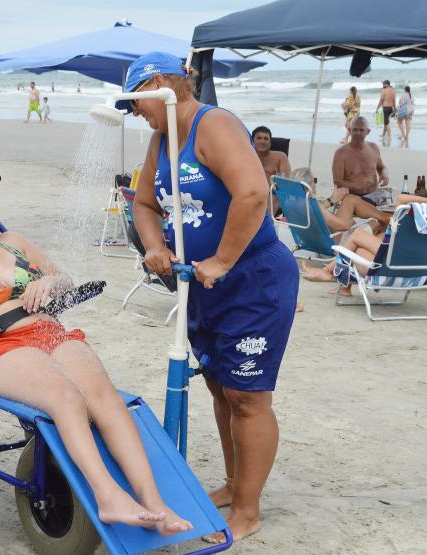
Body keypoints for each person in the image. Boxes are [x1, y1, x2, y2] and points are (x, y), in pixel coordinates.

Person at [0, 165, 194, 536]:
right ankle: (108, 497)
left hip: (51, 332)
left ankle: (155, 503)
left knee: (106, 400)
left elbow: (64, 278)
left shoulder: (15, 242)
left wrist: (47, 282)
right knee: (67, 399)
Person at [125, 51, 299, 542]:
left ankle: (247, 510)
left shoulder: (213, 123)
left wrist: (221, 261)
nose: (135, 111)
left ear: (158, 84)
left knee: (247, 394)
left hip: (253, 277)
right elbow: (141, 203)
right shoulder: (162, 138)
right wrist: (155, 246)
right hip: (200, 283)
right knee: (220, 388)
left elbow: (252, 193)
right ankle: (232, 484)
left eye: (137, 100)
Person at [302, 194, 427, 292]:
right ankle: (343, 287)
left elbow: (402, 198)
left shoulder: (411, 223)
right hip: (417, 274)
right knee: (358, 251)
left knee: (358, 236)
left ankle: (329, 272)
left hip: (393, 267)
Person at [332, 116, 389, 201]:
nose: (358, 133)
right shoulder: (341, 153)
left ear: (368, 131)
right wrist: (358, 187)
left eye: (361, 130)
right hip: (352, 198)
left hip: (374, 195)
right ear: (349, 130)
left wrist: (384, 174)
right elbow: (337, 182)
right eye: (355, 130)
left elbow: (381, 167)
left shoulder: (374, 148)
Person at [375, 80, 396, 146]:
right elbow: (394, 100)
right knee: (385, 122)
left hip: (385, 108)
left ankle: (389, 136)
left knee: (387, 123)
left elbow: (381, 100)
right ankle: (383, 135)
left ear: (386, 84)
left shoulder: (384, 90)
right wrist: (394, 108)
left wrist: (377, 108)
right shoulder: (393, 91)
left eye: (383, 84)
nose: (383, 85)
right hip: (391, 108)